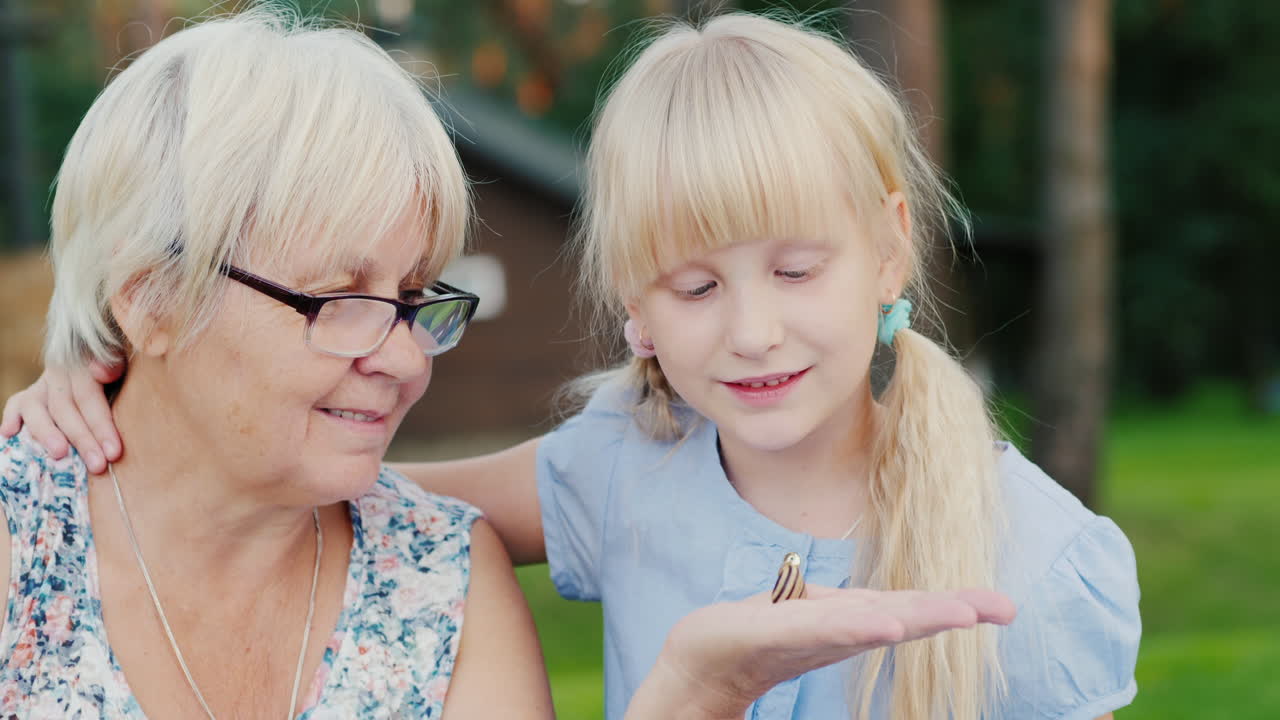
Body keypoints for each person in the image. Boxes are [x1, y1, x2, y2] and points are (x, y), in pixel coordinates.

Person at [1, 11, 1111, 720]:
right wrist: (109, 407)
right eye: (695, 287)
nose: (755, 331)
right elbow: (346, 497)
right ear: (637, 308)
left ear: (885, 247)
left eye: (410, 301)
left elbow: (382, 514)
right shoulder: (619, 473)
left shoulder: (1029, 559)